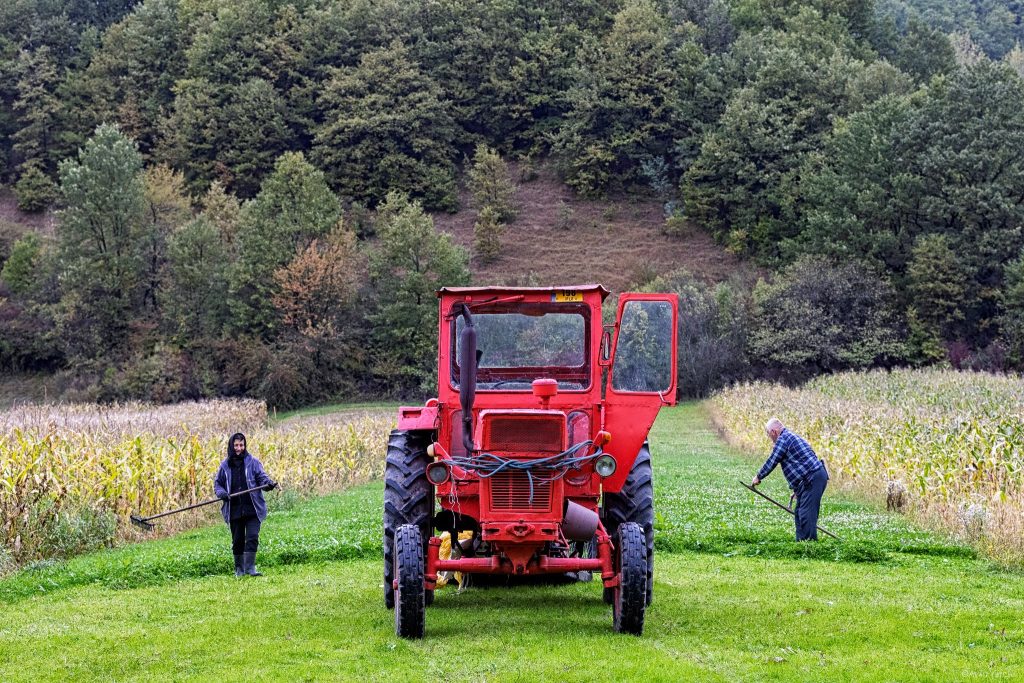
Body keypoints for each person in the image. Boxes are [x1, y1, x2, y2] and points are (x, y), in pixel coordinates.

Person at [751, 417, 828, 541]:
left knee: (806, 514)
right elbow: (805, 459)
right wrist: (799, 488)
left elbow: (773, 460)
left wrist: (759, 476)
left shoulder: (783, 439)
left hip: (813, 477)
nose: (769, 437)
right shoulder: (790, 437)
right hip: (811, 479)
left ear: (773, 432)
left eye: (768, 434)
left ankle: (810, 549)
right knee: (799, 513)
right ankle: (801, 545)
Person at [214, 432, 277, 576]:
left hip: (252, 508)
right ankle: (239, 570)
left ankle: (250, 569)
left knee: (252, 537)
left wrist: (267, 484)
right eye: (236, 445)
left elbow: (262, 478)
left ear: (245, 445)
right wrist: (222, 493)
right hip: (234, 509)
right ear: (231, 446)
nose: (239, 448)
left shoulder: (253, 462)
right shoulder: (225, 466)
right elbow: (218, 484)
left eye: (241, 445)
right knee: (237, 541)